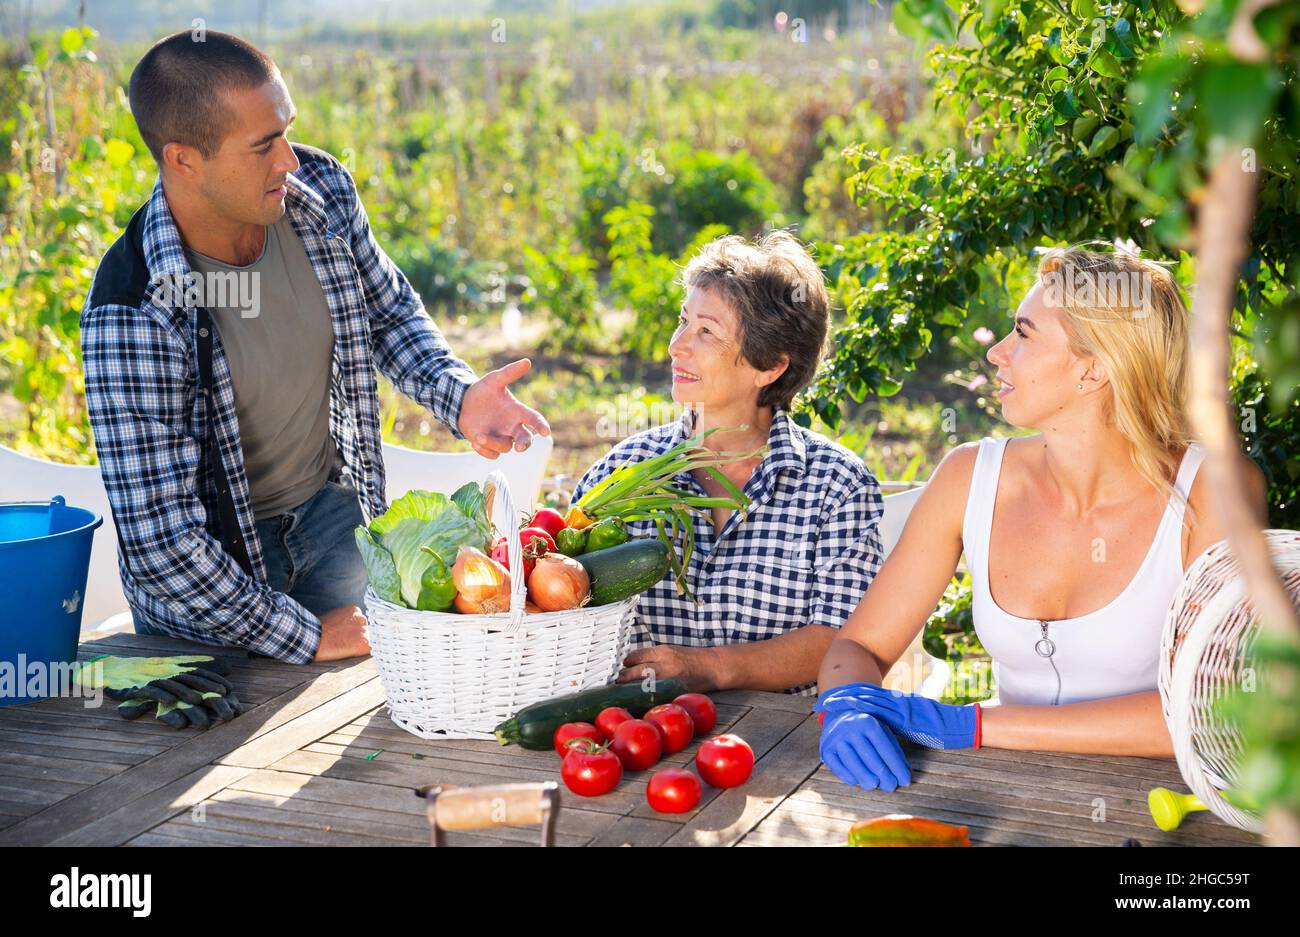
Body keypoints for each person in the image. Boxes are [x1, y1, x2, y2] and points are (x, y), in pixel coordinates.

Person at [81, 31, 549, 664]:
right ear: (184, 160)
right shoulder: (132, 311)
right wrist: (300, 636)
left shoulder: (319, 192)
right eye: (262, 146)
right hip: (217, 581)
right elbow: (163, 545)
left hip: (333, 523)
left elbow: (385, 312)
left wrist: (458, 396)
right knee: (225, 753)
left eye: (285, 131)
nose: (290, 162)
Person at [814, 246, 1268, 791]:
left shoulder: (1213, 492)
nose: (997, 353)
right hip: (1013, 793)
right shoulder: (969, 477)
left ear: (1094, 369)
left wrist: (974, 723)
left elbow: (1212, 709)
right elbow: (858, 647)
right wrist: (844, 705)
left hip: (1164, 808)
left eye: (1023, 335)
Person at [572, 231, 884, 695]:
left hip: (787, 744)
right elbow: (562, 607)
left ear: (770, 367)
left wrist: (708, 668)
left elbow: (846, 641)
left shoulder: (836, 487)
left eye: (706, 332)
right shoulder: (617, 475)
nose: (677, 345)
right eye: (683, 321)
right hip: (639, 736)